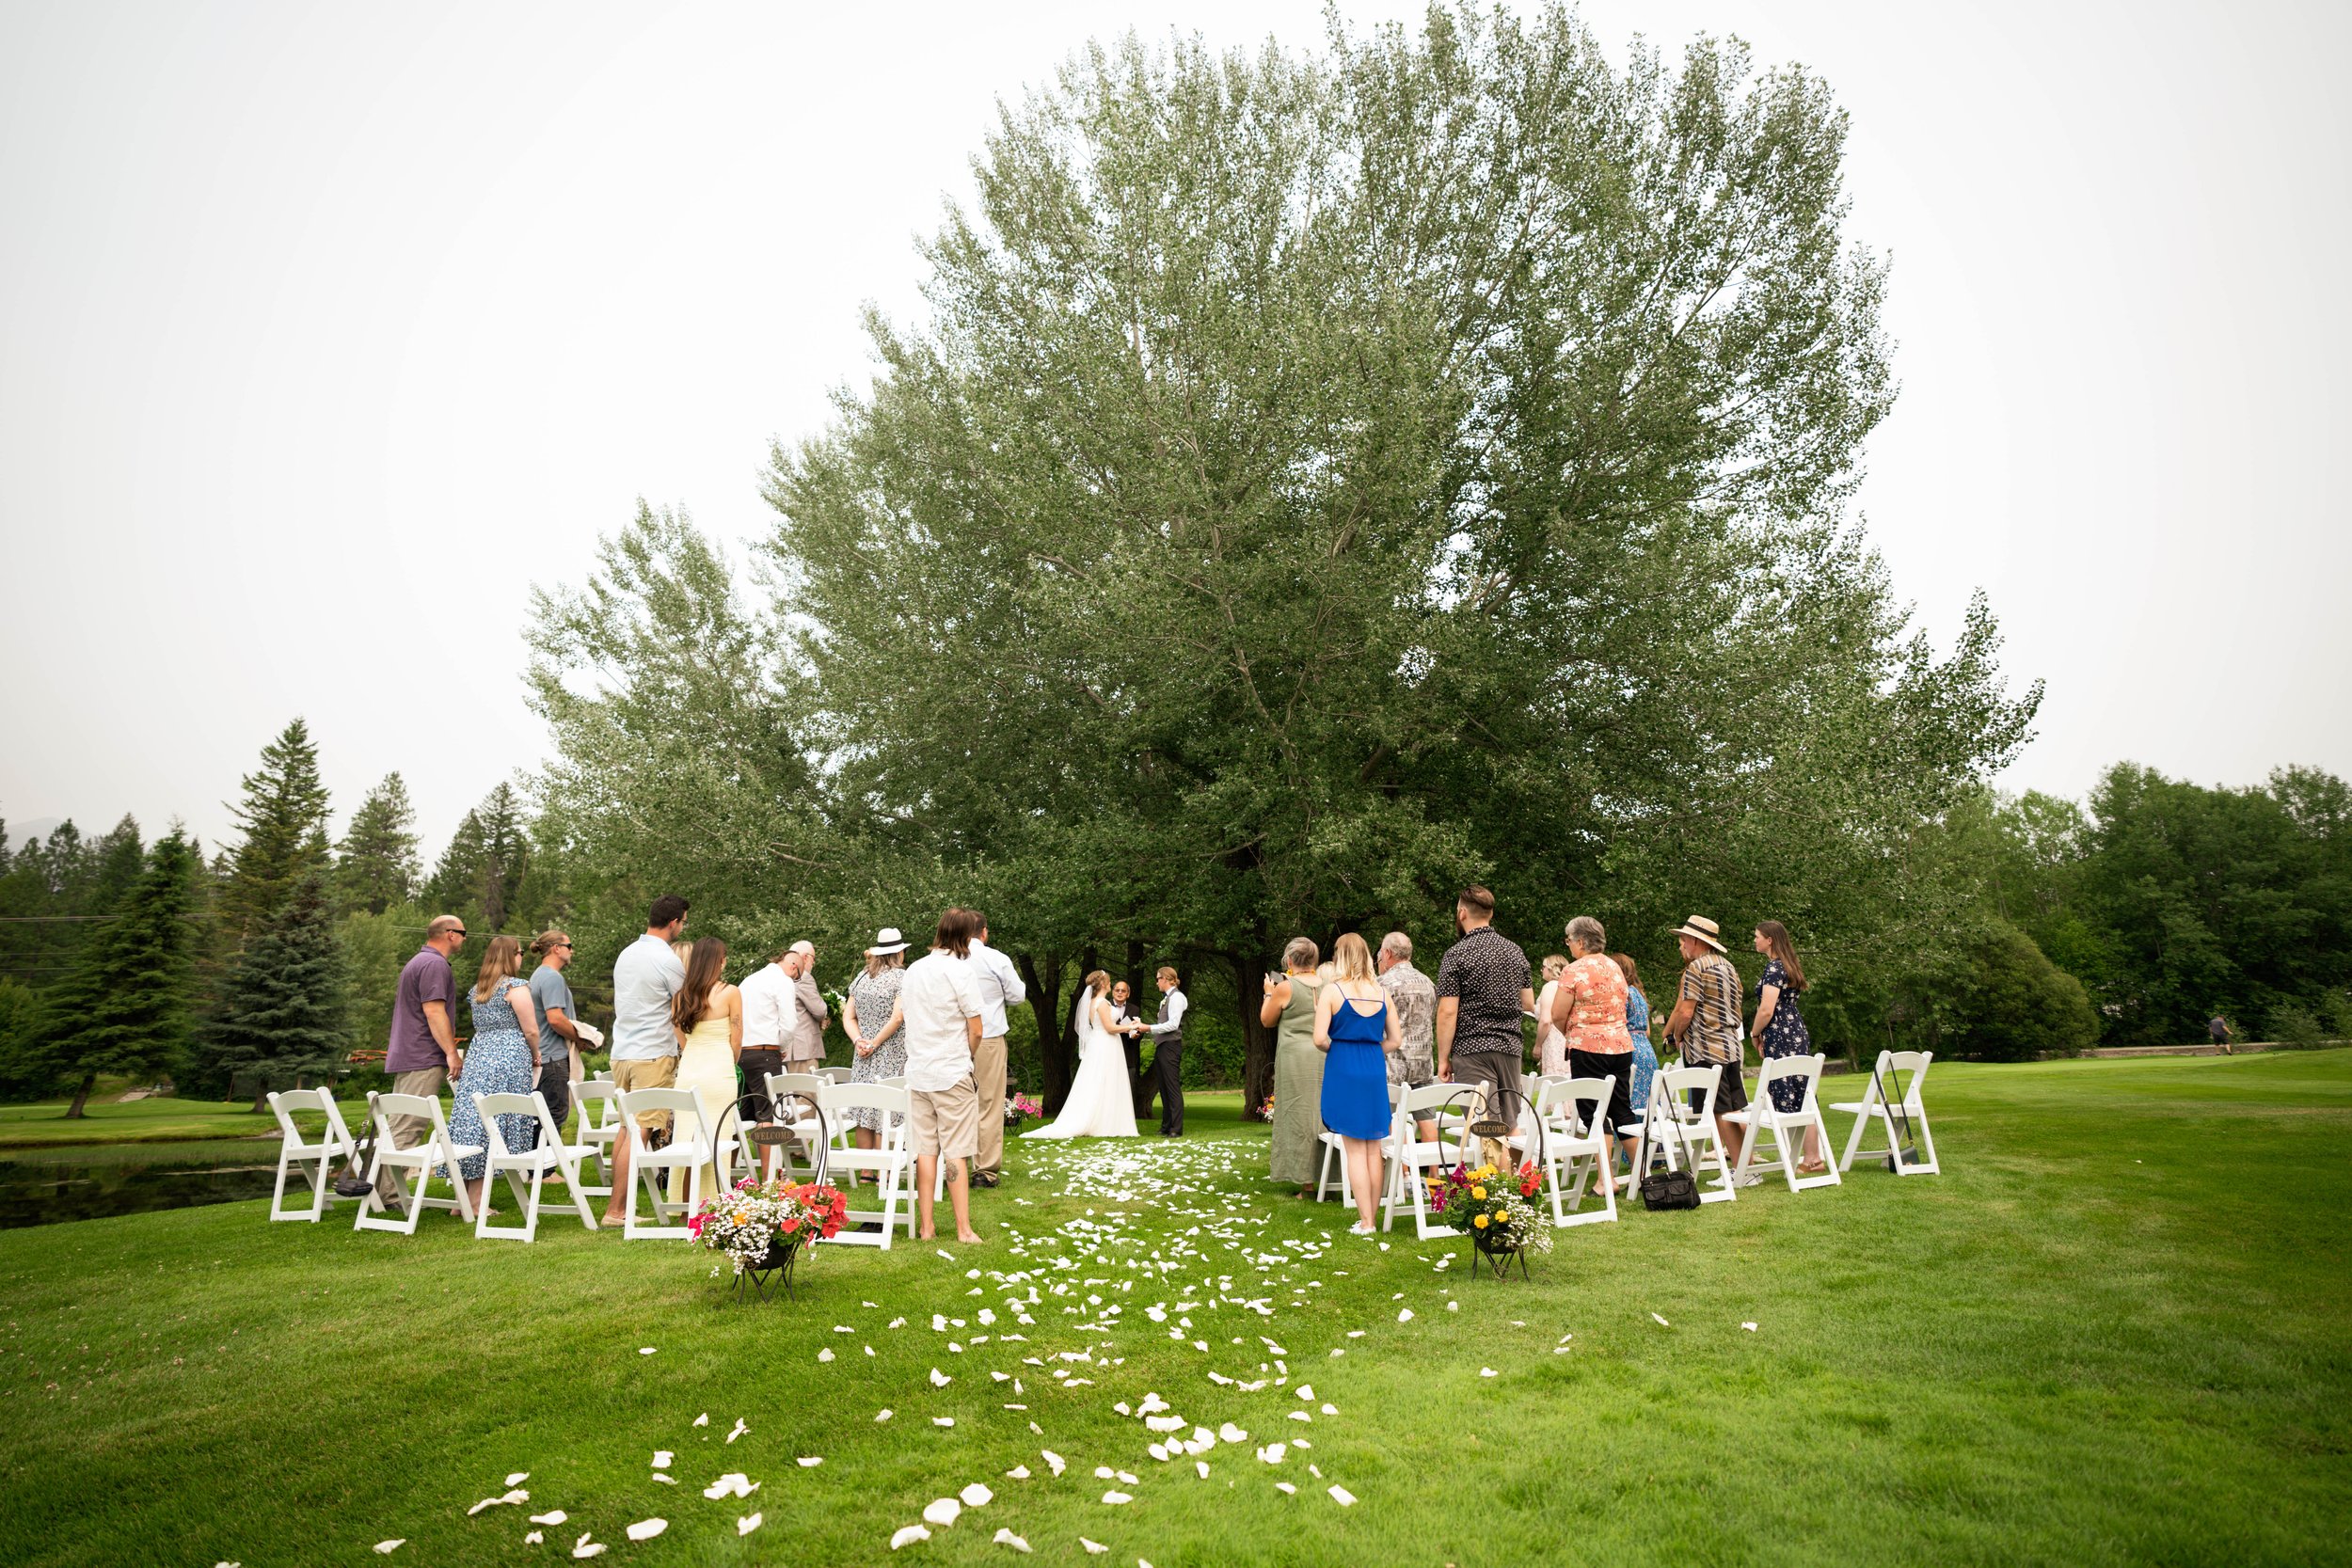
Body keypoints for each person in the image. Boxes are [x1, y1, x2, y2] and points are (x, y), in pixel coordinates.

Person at [898, 910, 988, 1243]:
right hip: (951, 1072)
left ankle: (926, 1228)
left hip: (918, 1072)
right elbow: (977, 1029)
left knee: (925, 1149)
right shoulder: (960, 971)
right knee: (955, 1151)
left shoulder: (914, 970)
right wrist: (967, 1055)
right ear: (965, 937)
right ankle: (964, 1229)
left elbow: (907, 1016)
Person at [602, 895, 689, 1227]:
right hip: (652, 1053)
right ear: (674, 923)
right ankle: (616, 1210)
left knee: (626, 1128)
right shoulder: (666, 959)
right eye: (683, 921)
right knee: (641, 1129)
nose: (684, 926)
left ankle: (617, 1205)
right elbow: (682, 1008)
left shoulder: (627, 953)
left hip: (622, 1052)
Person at [445, 935, 541, 1215]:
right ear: (512, 956)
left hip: (479, 1055)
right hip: (508, 1057)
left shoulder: (479, 989)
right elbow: (531, 1030)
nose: (522, 957)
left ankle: (461, 1200)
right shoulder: (516, 986)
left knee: (472, 1121)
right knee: (494, 1122)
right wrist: (536, 1053)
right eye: (520, 953)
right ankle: (475, 1203)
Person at [376, 913, 467, 1205]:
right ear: (450, 934)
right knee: (409, 1126)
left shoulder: (419, 961)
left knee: (398, 1124)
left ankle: (381, 1192)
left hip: (409, 1053)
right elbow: (433, 1011)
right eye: (463, 932)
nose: (465, 938)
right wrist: (451, 1052)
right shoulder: (433, 964)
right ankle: (387, 1197)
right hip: (423, 1056)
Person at [1314, 934, 1402, 1234]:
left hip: (1344, 1067)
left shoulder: (1332, 991)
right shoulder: (1381, 992)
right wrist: (1371, 1050)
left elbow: (1318, 1038)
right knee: (1372, 1148)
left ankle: (1366, 1222)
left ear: (1341, 956)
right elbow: (1396, 1040)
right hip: (1374, 1069)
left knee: (1353, 1149)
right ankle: (1372, 1219)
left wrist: (1339, 1049)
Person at [1435, 887, 1536, 1136]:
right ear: (1490, 914)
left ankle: (1500, 1177)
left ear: (1462, 913)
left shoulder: (1456, 955)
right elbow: (1528, 1003)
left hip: (1472, 1049)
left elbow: (1448, 1012)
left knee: (1487, 1127)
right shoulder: (1515, 951)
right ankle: (1519, 1176)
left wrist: (1443, 1058)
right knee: (1510, 1124)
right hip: (1510, 1049)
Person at [1661, 914, 1750, 1178]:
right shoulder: (1728, 966)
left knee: (1719, 1110)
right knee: (1733, 1109)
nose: (1682, 945)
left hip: (1705, 1048)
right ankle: (1747, 1166)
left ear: (1694, 940)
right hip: (1730, 1046)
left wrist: (1677, 1035)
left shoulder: (1696, 968)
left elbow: (1686, 1012)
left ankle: (1740, 1170)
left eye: (1683, 940)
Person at [1547, 917, 1635, 1164]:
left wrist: (1573, 1033)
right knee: (1621, 1111)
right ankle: (1642, 1173)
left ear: (1581, 941)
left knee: (1594, 1113)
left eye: (1569, 941)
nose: (1568, 946)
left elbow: (1557, 1014)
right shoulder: (1614, 967)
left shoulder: (1573, 970)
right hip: (1620, 1046)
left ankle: (1606, 1180)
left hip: (1588, 1048)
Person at [1024, 971, 1141, 1140]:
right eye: (1108, 982)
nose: (1110, 984)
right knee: (1105, 1081)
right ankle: (1104, 1123)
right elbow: (1109, 1028)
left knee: (1102, 1082)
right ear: (1102, 984)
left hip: (1101, 1043)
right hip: (1106, 1044)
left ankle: (1106, 1121)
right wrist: (1131, 1026)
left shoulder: (1095, 1002)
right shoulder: (1102, 1003)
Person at [670, 937, 741, 1203]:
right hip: (719, 1070)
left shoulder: (680, 997)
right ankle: (712, 1203)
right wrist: (728, 1063)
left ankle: (683, 1203)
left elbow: (682, 1041)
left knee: (686, 1137)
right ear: (719, 961)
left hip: (689, 1070)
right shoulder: (730, 992)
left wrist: (696, 1053)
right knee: (718, 1136)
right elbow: (737, 1037)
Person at [1752, 921, 1826, 1172]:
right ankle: (1812, 1157)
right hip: (1795, 1028)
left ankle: (1810, 1157)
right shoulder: (1788, 964)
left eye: (1757, 936)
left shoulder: (1774, 968)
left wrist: (1754, 1032)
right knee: (1802, 1091)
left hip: (1780, 1033)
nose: (1755, 940)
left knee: (1789, 1091)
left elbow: (1766, 1008)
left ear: (1769, 940)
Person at [961, 911, 1026, 1187]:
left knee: (954, 1102)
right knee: (988, 1102)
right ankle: (984, 1172)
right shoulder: (996, 959)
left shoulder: (951, 960)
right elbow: (1017, 995)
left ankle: (949, 1166)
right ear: (984, 932)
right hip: (987, 1035)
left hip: (954, 1037)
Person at [842, 927, 911, 1171]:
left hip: (862, 1054)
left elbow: (848, 1016)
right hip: (890, 1051)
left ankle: (866, 1172)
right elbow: (897, 1018)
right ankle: (885, 1170)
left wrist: (859, 1040)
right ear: (900, 953)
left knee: (864, 1109)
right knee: (886, 1110)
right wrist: (875, 1043)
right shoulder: (902, 978)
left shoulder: (861, 977)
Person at [1262, 938, 1326, 1196]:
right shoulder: (1328, 985)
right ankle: (1329, 1176)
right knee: (1321, 1113)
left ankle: (1306, 1183)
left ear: (1289, 961)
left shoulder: (1285, 987)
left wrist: (1268, 992)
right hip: (1323, 1054)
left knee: (1298, 1114)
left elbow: (1267, 1020)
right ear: (1315, 960)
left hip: (1295, 1058)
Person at [737, 944, 797, 1178]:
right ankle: (768, 1177)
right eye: (797, 974)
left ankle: (732, 1175)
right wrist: (782, 1048)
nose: (795, 978)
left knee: (741, 1116)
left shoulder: (748, 980)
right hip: (765, 1053)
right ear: (792, 965)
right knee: (767, 1115)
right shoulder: (783, 981)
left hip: (742, 1053)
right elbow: (789, 1024)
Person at [526, 931, 580, 1144]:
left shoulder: (538, 975)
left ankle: (535, 1170)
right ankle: (544, 1172)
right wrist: (580, 1038)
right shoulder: (552, 977)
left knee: (542, 1115)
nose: (572, 950)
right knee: (554, 1113)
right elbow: (556, 1019)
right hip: (554, 1058)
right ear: (556, 948)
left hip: (543, 1056)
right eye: (569, 945)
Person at [1610, 951, 1660, 1152]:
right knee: (1647, 1101)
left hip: (1628, 1046)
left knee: (1630, 1099)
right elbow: (1647, 1030)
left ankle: (1634, 1151)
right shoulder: (1638, 993)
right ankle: (1654, 1149)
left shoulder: (1621, 993)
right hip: (1646, 1049)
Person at [1147, 966, 1188, 1137]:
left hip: (1171, 1046)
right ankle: (1166, 1126)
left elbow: (1173, 1024)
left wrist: (1148, 1028)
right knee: (1163, 1087)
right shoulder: (1166, 999)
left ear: (1165, 978)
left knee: (1171, 1087)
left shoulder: (1177, 997)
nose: (1156, 982)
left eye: (1158, 978)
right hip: (1163, 1046)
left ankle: (1176, 1129)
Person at [1111, 978, 1152, 1118]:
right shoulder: (1106, 1007)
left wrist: (1136, 1035)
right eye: (1117, 990)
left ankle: (1123, 1119)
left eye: (1123, 990)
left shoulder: (1134, 1009)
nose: (1120, 993)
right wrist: (1123, 1028)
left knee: (1126, 1090)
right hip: (1109, 1053)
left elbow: (1136, 1031)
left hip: (1128, 1056)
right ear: (1112, 992)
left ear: (1128, 994)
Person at [787, 941, 830, 1069]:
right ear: (805, 957)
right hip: (803, 1049)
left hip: (790, 1047)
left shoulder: (785, 975)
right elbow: (820, 1010)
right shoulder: (803, 977)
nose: (814, 962)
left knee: (792, 1088)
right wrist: (826, 1015)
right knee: (805, 1089)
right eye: (813, 958)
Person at [1534, 953, 1571, 1078]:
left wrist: (1538, 1045)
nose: (1541, 970)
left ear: (1552, 968)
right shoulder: (1568, 987)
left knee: (1554, 1081)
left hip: (1554, 1040)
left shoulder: (1550, 987)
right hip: (1568, 1039)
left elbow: (1546, 1020)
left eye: (1543, 967)